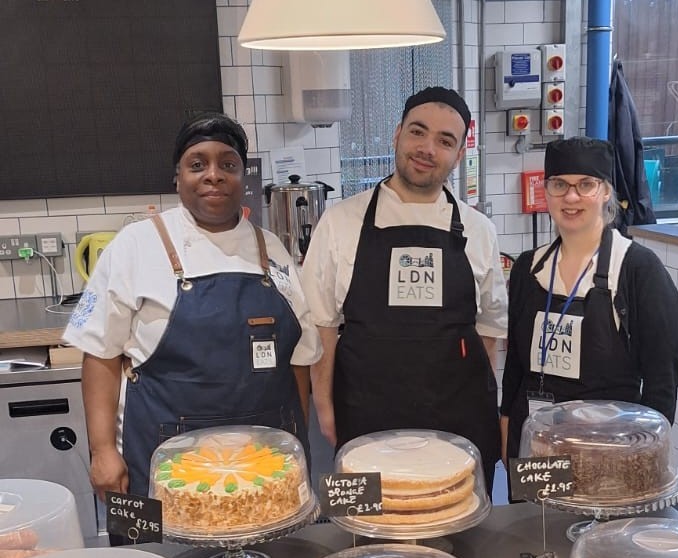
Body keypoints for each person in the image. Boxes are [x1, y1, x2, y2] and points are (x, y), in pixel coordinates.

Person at [63, 112, 321, 504]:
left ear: (242, 177)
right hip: (161, 464)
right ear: (177, 177)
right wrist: (102, 452)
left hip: (263, 468)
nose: (213, 175)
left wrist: (298, 444)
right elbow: (100, 353)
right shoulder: (136, 245)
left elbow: (299, 362)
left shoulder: (273, 250)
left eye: (228, 164)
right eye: (197, 164)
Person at [301, 86, 508, 491]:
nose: (427, 148)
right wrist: (324, 405)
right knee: (373, 540)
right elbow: (321, 322)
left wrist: (480, 400)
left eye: (445, 141)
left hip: (457, 415)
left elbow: (488, 328)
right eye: (418, 132)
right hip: (366, 410)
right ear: (397, 134)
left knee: (455, 525)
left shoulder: (479, 230)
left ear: (459, 154)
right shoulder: (341, 221)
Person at [500, 136, 678, 468]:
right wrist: (506, 429)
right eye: (559, 184)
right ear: (547, 191)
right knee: (535, 521)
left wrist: (645, 455)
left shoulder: (637, 270)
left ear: (605, 191)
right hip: (538, 446)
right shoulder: (528, 269)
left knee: (599, 523)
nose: (571, 197)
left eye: (585, 184)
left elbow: (663, 378)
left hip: (610, 452)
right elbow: (515, 363)